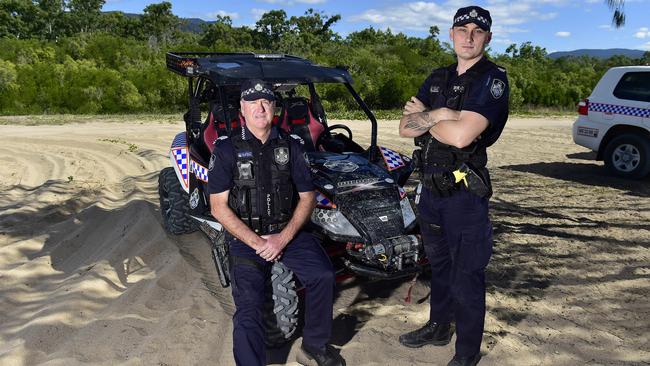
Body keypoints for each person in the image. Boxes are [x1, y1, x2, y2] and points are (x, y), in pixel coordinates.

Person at [398, 5, 509, 366]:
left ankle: (466, 353)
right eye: (463, 28)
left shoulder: (491, 79)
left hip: (464, 195)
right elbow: (403, 127)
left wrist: (429, 116)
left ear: (488, 38)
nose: (469, 35)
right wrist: (444, 115)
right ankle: (438, 326)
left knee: (467, 274)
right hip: (431, 191)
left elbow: (462, 137)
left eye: (478, 31)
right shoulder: (437, 77)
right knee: (440, 268)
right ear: (451, 34)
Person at [208, 79, 345, 366]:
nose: (260, 107)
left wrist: (282, 239)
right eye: (253, 102)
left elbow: (307, 197)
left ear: (274, 108)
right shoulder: (225, 150)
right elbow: (218, 208)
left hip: (288, 232)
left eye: (266, 101)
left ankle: (314, 346)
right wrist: (259, 243)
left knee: (323, 276)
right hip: (246, 239)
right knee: (248, 308)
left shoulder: (291, 145)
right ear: (242, 110)